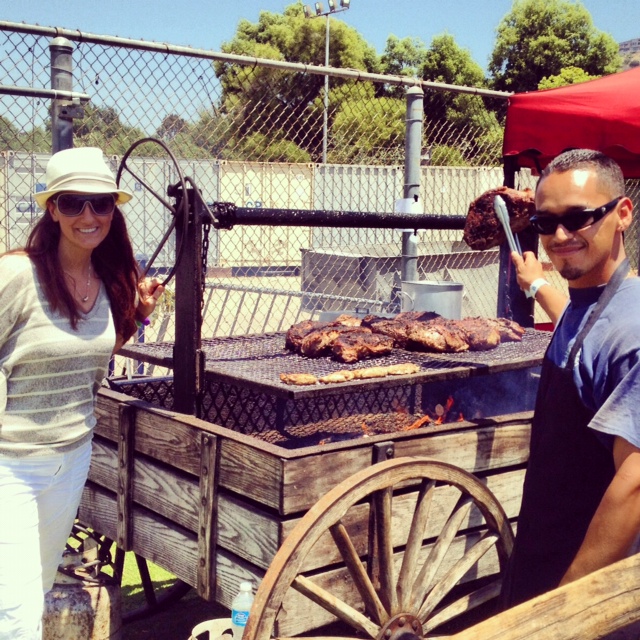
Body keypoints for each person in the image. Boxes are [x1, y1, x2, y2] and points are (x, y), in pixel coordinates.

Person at [0, 147, 164, 639]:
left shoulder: (110, 279)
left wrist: (138, 314)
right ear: (52, 209)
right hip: (11, 464)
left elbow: (93, 352)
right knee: (16, 613)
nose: (88, 215)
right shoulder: (17, 274)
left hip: (71, 459)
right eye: (72, 203)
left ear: (114, 209)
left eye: (100, 203)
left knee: (35, 588)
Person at [500, 149, 640, 609]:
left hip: (593, 595)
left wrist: (562, 608)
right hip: (545, 553)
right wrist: (537, 284)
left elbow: (635, 484)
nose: (559, 236)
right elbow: (582, 330)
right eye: (545, 222)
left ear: (622, 214)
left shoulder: (634, 328)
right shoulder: (590, 305)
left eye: (579, 218)